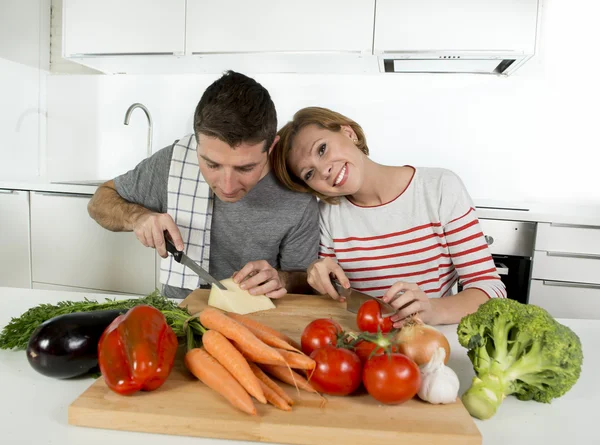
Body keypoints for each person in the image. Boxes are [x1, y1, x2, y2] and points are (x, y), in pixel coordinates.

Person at [88, 71, 319, 300]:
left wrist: (283, 278)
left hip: (260, 320)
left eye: (245, 168)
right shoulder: (174, 163)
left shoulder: (296, 195)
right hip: (179, 312)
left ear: (270, 148)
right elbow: (99, 201)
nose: (227, 186)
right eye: (212, 164)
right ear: (196, 145)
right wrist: (137, 217)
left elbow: (306, 280)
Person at [270, 106, 506, 327]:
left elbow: (490, 287)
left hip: (430, 340)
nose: (323, 170)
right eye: (309, 173)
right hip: (365, 343)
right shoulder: (327, 217)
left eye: (322, 149)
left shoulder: (440, 188)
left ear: (348, 133)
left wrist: (434, 309)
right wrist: (319, 276)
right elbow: (334, 298)